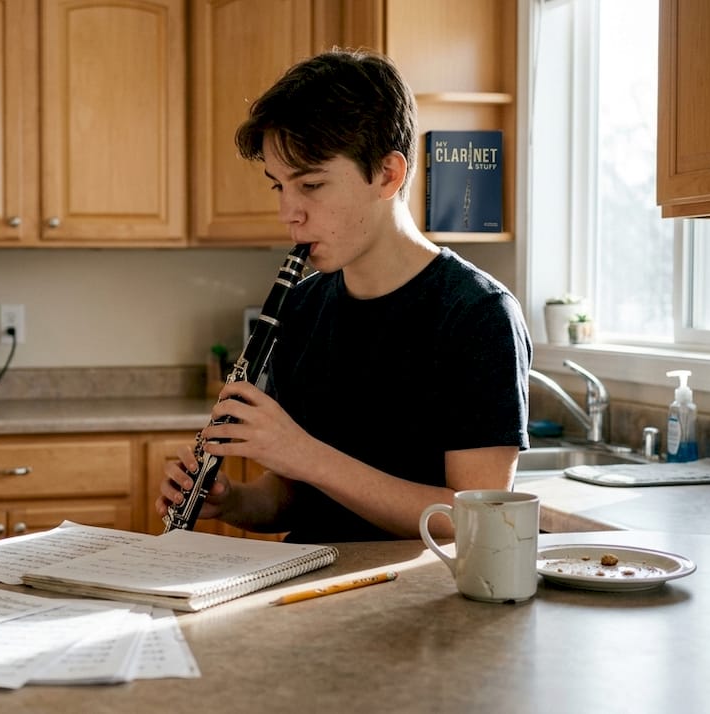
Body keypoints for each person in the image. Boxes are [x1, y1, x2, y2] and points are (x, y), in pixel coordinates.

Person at [155, 48, 531, 542]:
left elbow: (473, 520)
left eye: (311, 184)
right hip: (308, 582)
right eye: (278, 187)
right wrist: (232, 501)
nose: (288, 213)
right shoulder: (301, 307)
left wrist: (306, 454)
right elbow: (293, 499)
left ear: (387, 175)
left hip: (413, 587)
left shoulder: (478, 314)